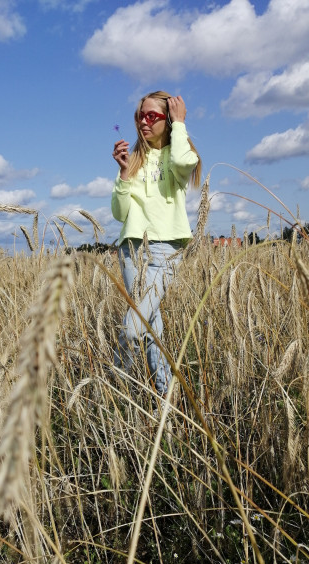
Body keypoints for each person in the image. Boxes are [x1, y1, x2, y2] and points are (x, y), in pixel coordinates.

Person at [111, 90, 201, 397]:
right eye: (139, 116)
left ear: (168, 120)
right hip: (130, 250)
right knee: (151, 330)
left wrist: (179, 124)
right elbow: (119, 213)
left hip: (165, 250)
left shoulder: (176, 160)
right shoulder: (133, 161)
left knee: (133, 328)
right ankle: (165, 399)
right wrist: (123, 175)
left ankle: (113, 393)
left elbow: (185, 160)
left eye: (152, 116)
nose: (143, 122)